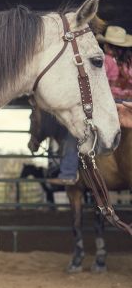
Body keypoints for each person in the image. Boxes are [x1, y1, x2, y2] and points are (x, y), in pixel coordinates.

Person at [46, 23, 132, 186]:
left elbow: (96, 84)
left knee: (76, 133)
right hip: (130, 106)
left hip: (111, 104)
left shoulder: (104, 60)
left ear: (107, 45)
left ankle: (69, 173)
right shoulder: (129, 63)